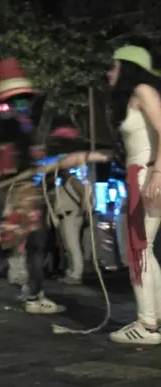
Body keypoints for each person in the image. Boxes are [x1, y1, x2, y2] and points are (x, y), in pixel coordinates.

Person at [0, 58, 111, 315]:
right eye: (19, 100)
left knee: (35, 242)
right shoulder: (10, 123)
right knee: (13, 244)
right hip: (19, 193)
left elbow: (25, 158)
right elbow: (13, 160)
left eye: (24, 101)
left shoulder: (14, 122)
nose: (24, 105)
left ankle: (34, 294)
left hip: (22, 190)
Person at [104, 46, 161, 344]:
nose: (109, 72)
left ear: (128, 67)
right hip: (142, 174)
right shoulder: (138, 95)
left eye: (114, 66)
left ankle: (147, 323)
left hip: (146, 175)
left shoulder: (141, 90)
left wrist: (156, 172)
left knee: (137, 249)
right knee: (145, 248)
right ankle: (153, 317)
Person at [52, 170, 87, 284]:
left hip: (71, 215)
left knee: (73, 245)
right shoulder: (63, 183)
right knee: (68, 246)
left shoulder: (73, 181)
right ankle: (71, 271)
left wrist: (82, 211)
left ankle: (76, 274)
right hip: (64, 216)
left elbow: (84, 194)